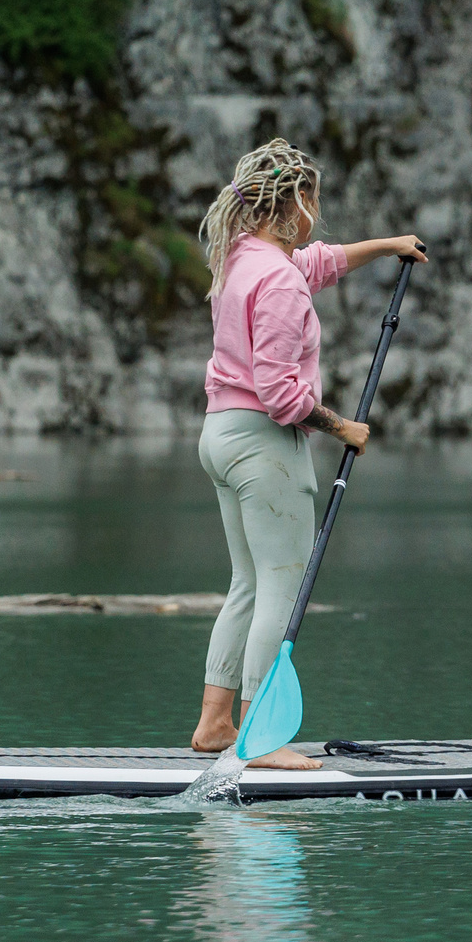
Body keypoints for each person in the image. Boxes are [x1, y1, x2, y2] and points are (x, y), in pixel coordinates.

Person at [191, 139, 428, 766]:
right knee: (281, 586)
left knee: (248, 583)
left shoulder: (241, 257)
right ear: (293, 202)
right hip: (264, 446)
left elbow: (316, 263)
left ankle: (216, 724)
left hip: (221, 433)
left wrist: (388, 246)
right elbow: (278, 394)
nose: (316, 214)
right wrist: (343, 427)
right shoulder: (277, 281)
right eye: (313, 201)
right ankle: (260, 738)